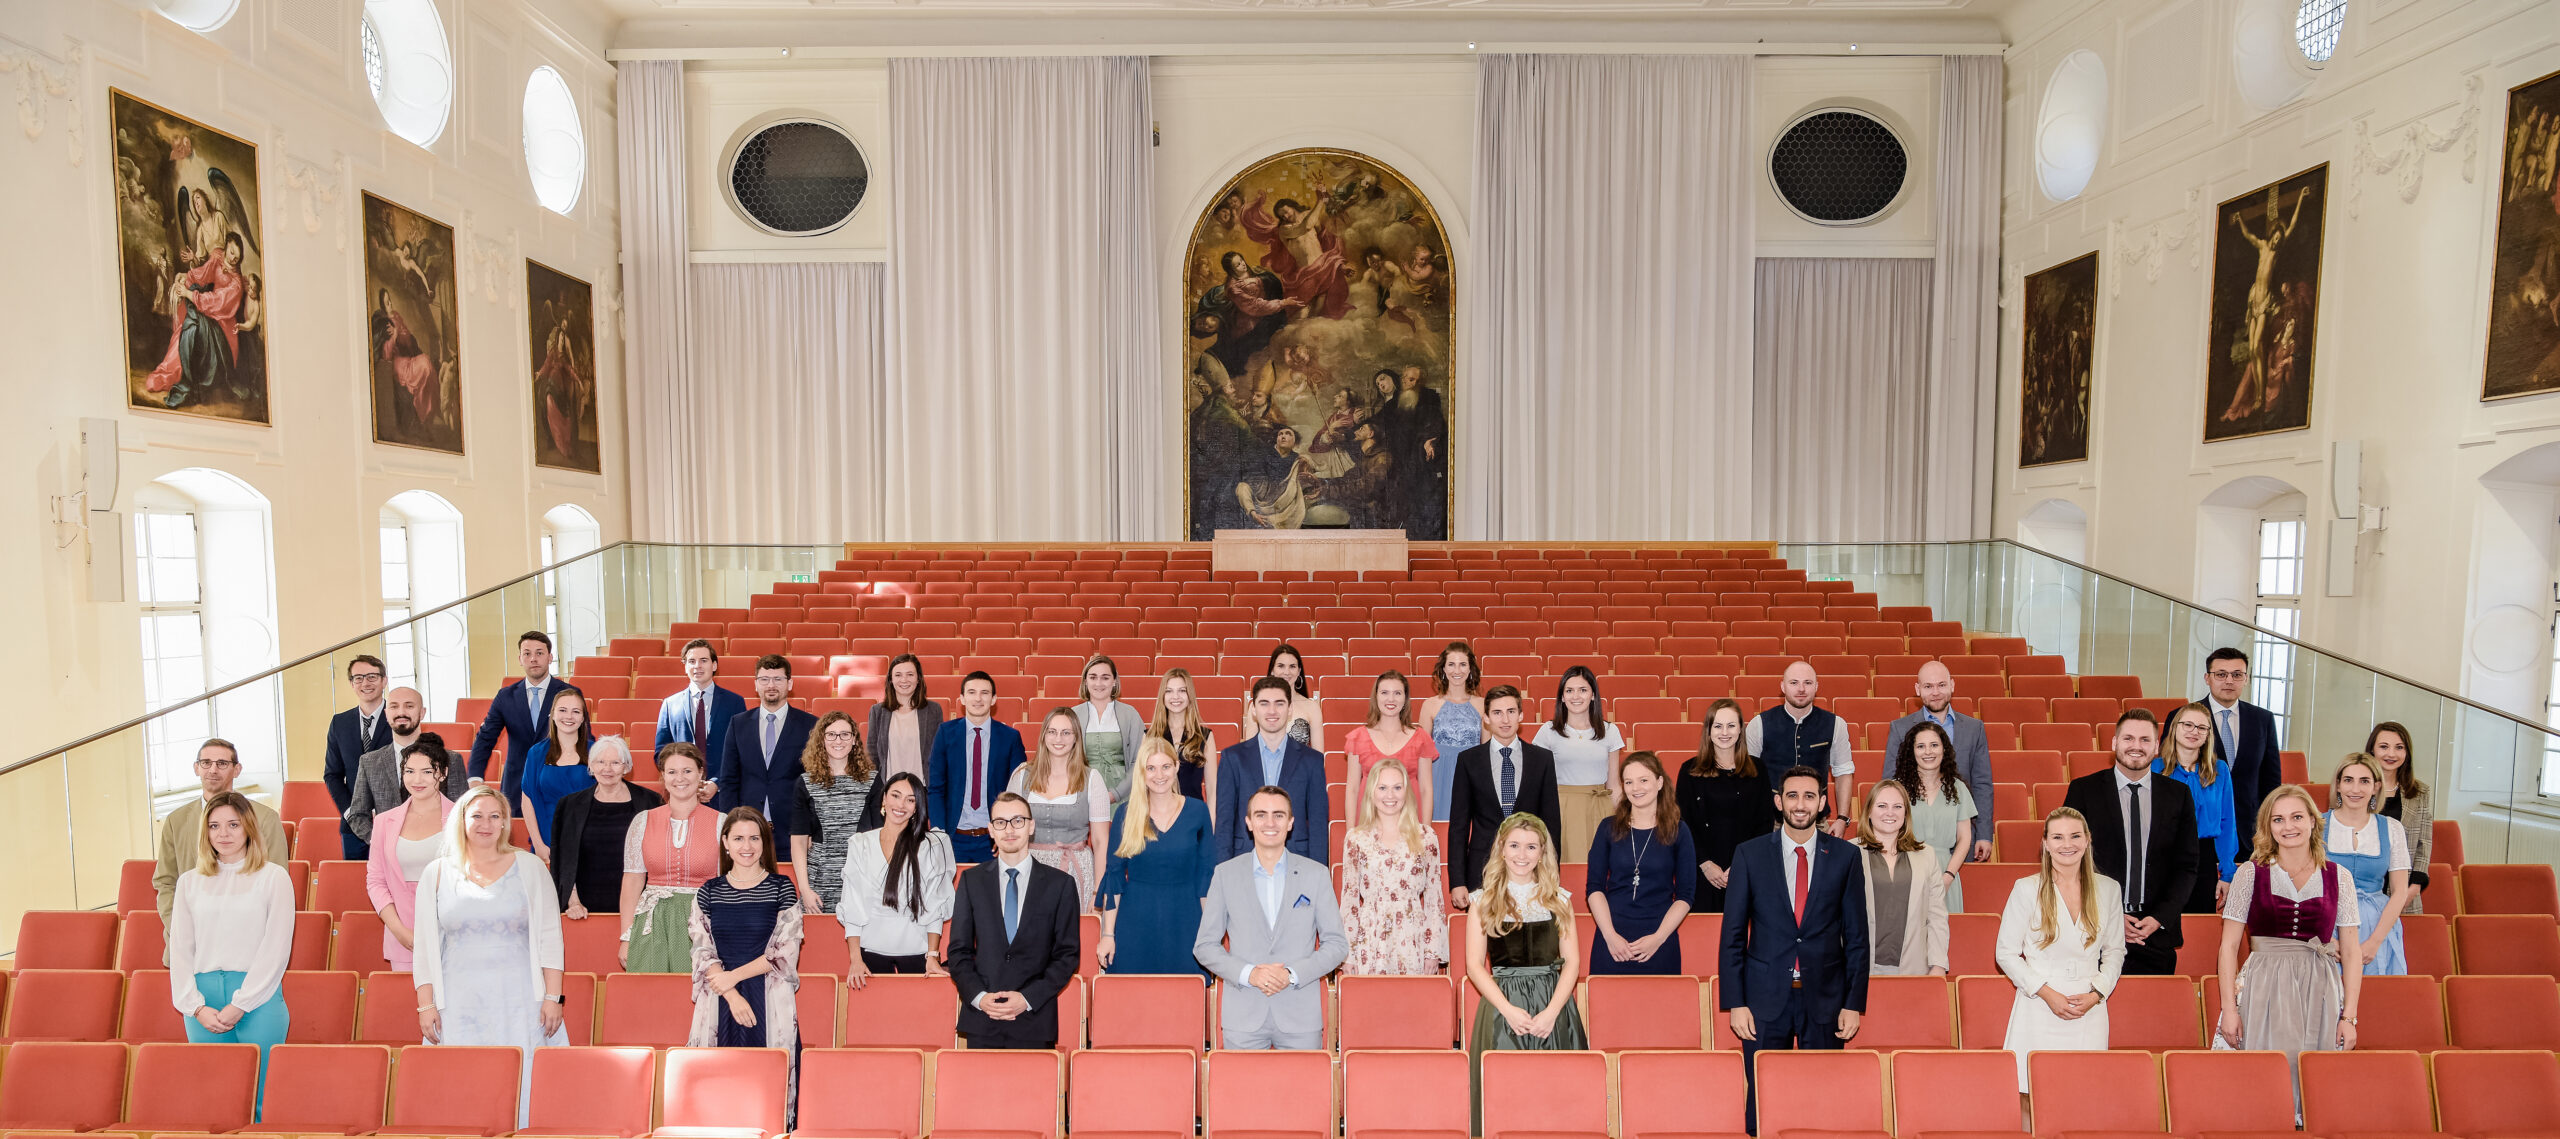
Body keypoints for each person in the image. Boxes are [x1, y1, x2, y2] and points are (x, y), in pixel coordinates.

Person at [1719, 766, 1868, 1130]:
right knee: (1764, 1101)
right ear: (1778, 801)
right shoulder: (1749, 855)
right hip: (1763, 1000)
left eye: (1809, 796)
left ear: (1822, 803)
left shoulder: (1846, 857)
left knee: (1823, 1100)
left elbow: (1857, 938)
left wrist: (1853, 1004)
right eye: (1792, 796)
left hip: (1826, 999)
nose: (1800, 804)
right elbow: (1732, 936)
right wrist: (1736, 1003)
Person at [412, 786, 568, 1128]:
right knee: (461, 1086)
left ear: (505, 822)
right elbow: (424, 945)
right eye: (477, 816)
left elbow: (550, 936)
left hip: (520, 1000)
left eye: (495, 816)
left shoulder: (530, 867)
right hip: (458, 1001)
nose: (486, 824)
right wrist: (426, 1006)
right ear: (461, 820)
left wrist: (553, 997)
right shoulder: (436, 872)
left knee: (522, 1085)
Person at [2215, 785, 2364, 1065]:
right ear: (2268, 827)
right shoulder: (2250, 873)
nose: (2288, 826)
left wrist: (2349, 1017)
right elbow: (2229, 947)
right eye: (2278, 819)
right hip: (2263, 983)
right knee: (2265, 1070)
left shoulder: (2339, 876)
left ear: (2312, 821)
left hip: (2320, 986)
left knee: (2315, 1072)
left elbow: (2351, 951)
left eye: (2297, 817)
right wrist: (2230, 1010)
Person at [166, 790, 293, 1119]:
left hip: (258, 998)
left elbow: (276, 947)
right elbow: (180, 949)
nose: (223, 833)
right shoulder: (189, 882)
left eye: (233, 825)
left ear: (249, 827)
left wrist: (242, 1003)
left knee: (261, 1101)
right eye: (214, 826)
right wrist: (194, 1006)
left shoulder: (273, 877)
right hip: (203, 1001)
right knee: (214, 1102)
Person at [1196, 786, 1348, 1048]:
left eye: (1278, 815)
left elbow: (1336, 945)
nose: (1270, 823)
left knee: (1305, 1080)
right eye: (1261, 815)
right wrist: (1250, 974)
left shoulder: (1316, 874)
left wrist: (1291, 974)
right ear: (1248, 822)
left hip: (1300, 1016)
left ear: (1290, 823)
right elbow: (1205, 946)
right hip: (1243, 1015)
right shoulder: (1225, 874)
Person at [1464, 813, 1588, 1133]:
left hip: (1553, 1006)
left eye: (1531, 847)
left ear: (1542, 852)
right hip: (1502, 1007)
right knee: (1506, 1095)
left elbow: (1572, 962)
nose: (1522, 854)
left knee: (1556, 1096)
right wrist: (1507, 1010)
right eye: (1514, 845)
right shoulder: (1483, 901)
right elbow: (1474, 965)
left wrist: (1551, 1013)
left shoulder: (1559, 900)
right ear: (1501, 849)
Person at [1995, 808, 2126, 1093]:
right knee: (2032, 1092)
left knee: (2085, 1093)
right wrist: (2046, 993)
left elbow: (2115, 951)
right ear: (2045, 843)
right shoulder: (2026, 888)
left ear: (2087, 840)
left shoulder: (2109, 889)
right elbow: (2005, 953)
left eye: (2075, 836)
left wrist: (2097, 993)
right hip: (2038, 1004)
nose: (2067, 844)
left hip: (2089, 1007)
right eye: (2058, 837)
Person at [2061, 711, 2200, 976]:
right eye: (2128, 738)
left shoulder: (2178, 795)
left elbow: (2187, 866)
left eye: (2145, 740)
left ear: (2156, 747)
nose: (2136, 746)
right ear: (2114, 743)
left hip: (2155, 934)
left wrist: (2159, 918)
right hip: (2094, 930)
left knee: (2150, 1004)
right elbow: (2068, 862)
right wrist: (2110, 916)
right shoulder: (2083, 790)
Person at [948, 793, 1081, 1049]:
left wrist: (1028, 998)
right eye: (1001, 822)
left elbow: (1067, 956)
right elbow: (958, 952)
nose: (1009, 830)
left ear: (1031, 826)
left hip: (1034, 1021)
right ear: (991, 830)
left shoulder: (1060, 885)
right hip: (982, 1020)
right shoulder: (971, 881)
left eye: (1018, 821)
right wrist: (979, 997)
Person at [687, 807, 803, 1080]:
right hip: (720, 996)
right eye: (738, 838)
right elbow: (702, 950)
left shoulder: (782, 887)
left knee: (766, 1081)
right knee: (717, 1082)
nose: (747, 846)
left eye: (754, 838)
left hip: (767, 996)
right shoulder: (708, 891)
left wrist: (733, 977)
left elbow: (784, 952)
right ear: (725, 842)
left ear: (764, 842)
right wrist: (731, 993)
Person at [1097, 738, 1215, 976]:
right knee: (1133, 995)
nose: (1159, 775)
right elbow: (1114, 877)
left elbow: (1206, 877)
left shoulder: (1198, 811)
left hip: (1186, 919)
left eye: (1165, 767)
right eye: (1151, 768)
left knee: (1185, 994)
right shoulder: (1125, 814)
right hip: (1135, 921)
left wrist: (1209, 936)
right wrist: (1108, 934)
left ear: (1177, 767)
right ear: (1142, 772)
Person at [1447, 686, 1563, 912]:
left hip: (1530, 869)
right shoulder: (1468, 760)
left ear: (1521, 715)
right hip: (1482, 870)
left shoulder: (1542, 759)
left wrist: (1552, 874)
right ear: (1486, 718)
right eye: (1497, 713)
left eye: (1511, 711)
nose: (1505, 719)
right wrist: (1457, 881)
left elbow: (1552, 825)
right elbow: (1458, 827)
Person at [1585, 752, 1696, 975]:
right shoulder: (1608, 827)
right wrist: (1610, 936)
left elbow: (1685, 895)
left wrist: (1658, 938)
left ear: (1659, 782)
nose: (1636, 788)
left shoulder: (1679, 830)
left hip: (1659, 937)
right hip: (1612, 937)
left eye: (1643, 780)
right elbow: (1594, 887)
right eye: (1628, 782)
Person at [838, 773, 954, 982]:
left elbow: (934, 906)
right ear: (884, 798)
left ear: (917, 807)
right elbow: (852, 904)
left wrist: (932, 956)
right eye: (895, 795)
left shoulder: (931, 846)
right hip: (869, 952)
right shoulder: (860, 844)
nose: (901, 805)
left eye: (910, 800)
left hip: (917, 952)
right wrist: (855, 959)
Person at [1340, 757, 1449, 975]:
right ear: (1371, 792)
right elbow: (1349, 900)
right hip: (1370, 938)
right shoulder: (1356, 838)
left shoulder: (1426, 836)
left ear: (1406, 792)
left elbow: (1434, 898)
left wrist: (1432, 952)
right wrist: (1348, 954)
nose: (1390, 795)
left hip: (1413, 938)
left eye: (1397, 788)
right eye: (1382, 788)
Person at [157, 739, 285, 925]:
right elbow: (165, 882)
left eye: (222, 763)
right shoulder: (175, 821)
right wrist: (179, 926)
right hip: (190, 929)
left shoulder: (265, 818)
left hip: (247, 927)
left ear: (237, 770)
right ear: (196, 768)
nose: (213, 770)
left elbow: (276, 885)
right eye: (206, 763)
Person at [620, 744, 723, 973]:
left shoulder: (721, 822)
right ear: (663, 776)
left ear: (700, 774)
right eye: (672, 772)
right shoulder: (643, 821)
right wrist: (626, 936)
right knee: (651, 992)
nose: (680, 778)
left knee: (697, 991)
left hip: (703, 923)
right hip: (651, 924)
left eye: (687, 771)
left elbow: (728, 883)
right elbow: (632, 881)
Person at [1881, 663, 1996, 864]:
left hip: (1962, 836)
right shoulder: (1900, 729)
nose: (1935, 692)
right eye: (1928, 686)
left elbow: (1982, 784)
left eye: (1941, 685)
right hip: (1914, 835)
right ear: (1918, 689)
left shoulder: (1974, 728)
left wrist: (1984, 834)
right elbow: (1891, 784)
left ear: (1952, 685)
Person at [1007, 709, 1115, 912]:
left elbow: (1101, 841)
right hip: (1029, 868)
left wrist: (1097, 892)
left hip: (1075, 869)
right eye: (1052, 732)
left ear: (1076, 738)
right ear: (1043, 735)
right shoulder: (1021, 775)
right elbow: (1009, 830)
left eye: (1066, 733)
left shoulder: (1092, 778)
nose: (1059, 739)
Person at [367, 736, 460, 971]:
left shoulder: (462, 819)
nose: (417, 780)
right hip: (403, 936)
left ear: (443, 773)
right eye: (409, 771)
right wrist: (399, 931)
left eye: (427, 772)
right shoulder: (384, 822)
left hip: (453, 934)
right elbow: (376, 881)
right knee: (406, 995)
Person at [1215, 678, 1330, 862]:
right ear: (1253, 710)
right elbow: (1224, 823)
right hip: (1244, 859)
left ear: (1290, 709)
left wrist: (1318, 872)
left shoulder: (1312, 761)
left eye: (1279, 703)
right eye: (1264, 703)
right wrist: (1223, 870)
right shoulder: (1232, 758)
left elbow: (1318, 825)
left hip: (1297, 860)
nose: (1272, 711)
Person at [1679, 699, 1777, 914]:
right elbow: (1684, 822)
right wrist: (1705, 863)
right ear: (1708, 730)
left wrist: (1742, 864)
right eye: (1718, 726)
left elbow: (1764, 822)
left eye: (1731, 725)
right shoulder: (1689, 770)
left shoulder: (1758, 769)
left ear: (1740, 729)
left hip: (1747, 867)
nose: (1725, 732)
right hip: (1702, 871)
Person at [550, 737, 663, 919]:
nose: (607, 769)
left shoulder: (651, 802)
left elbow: (660, 858)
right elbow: (563, 860)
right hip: (583, 908)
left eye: (615, 763)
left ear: (626, 767)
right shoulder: (569, 806)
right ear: (591, 766)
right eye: (600, 762)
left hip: (640, 905)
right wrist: (573, 902)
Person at [345, 687, 468, 848]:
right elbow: (357, 815)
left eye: (409, 706)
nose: (401, 712)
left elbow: (461, 811)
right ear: (386, 714)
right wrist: (380, 841)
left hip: (438, 851)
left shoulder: (451, 760)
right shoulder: (369, 762)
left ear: (422, 713)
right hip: (389, 854)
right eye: (394, 706)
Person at [791, 711, 887, 916]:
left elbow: (880, 836)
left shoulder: (873, 780)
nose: (838, 740)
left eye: (845, 734)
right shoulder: (805, 782)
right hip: (819, 878)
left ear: (854, 740)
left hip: (861, 877)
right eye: (831, 734)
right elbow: (799, 841)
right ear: (822, 740)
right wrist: (805, 889)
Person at [927, 672, 1029, 865]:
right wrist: (939, 834)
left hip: (994, 839)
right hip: (953, 838)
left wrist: (1008, 832)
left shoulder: (1010, 737)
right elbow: (936, 788)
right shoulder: (945, 733)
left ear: (994, 699)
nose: (978, 698)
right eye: (972, 692)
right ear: (962, 698)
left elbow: (1018, 792)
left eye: (984, 693)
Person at [718, 655, 817, 853]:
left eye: (778, 679)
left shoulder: (810, 725)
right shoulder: (738, 724)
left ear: (789, 684)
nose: (771, 685)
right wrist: (731, 826)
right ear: (756, 684)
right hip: (748, 830)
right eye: (764, 679)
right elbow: (729, 780)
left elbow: (815, 782)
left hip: (794, 830)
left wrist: (812, 827)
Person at [2327, 755, 2414, 976]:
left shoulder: (2392, 828)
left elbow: (2400, 891)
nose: (2355, 789)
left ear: (2376, 787)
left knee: (2377, 994)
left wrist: (2374, 942)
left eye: (2364, 781)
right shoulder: (2315, 826)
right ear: (2338, 785)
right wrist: (2327, 939)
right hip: (2328, 925)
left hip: (2377, 927)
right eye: (2348, 780)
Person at [469, 631, 582, 799]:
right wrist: (475, 778)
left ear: (550, 657)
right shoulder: (505, 696)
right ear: (520, 659)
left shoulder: (570, 693)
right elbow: (485, 738)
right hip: (516, 787)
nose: (533, 659)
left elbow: (583, 737)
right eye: (527, 654)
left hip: (560, 783)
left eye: (539, 653)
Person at [1747, 662, 1858, 830]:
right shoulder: (1758, 724)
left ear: (1816, 686)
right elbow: (1748, 776)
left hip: (1817, 822)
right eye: (1794, 683)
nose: (1801, 689)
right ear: (1783, 686)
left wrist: (1842, 818)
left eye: (1807, 682)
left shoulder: (1836, 724)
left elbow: (1843, 772)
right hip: (1769, 823)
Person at [1859, 779, 1950, 976]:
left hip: (1914, 968)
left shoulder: (1927, 855)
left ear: (1906, 813)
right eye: (1882, 806)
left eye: (1897, 806)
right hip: (1860, 967)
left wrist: (1938, 964)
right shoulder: (1848, 853)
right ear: (1868, 812)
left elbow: (1937, 915)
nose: (1890, 812)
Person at [2156, 703, 2239, 913]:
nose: (2194, 731)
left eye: (2202, 727)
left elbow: (2227, 823)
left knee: (2200, 919)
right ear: (2175, 728)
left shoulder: (2220, 770)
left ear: (2208, 734)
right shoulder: (2154, 769)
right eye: (2188, 725)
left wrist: (2227, 873)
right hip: (2163, 855)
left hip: (2204, 857)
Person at [1539, 667, 1626, 860]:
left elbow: (1614, 784)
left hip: (1601, 807)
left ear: (1593, 695)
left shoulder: (1610, 731)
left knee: (1602, 865)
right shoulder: (1548, 731)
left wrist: (1625, 816)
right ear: (1562, 697)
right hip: (1562, 809)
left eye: (1583, 690)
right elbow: (1538, 782)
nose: (1576, 696)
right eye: (1569, 690)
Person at [1892, 722, 1978, 913]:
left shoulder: (1958, 788)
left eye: (1934, 745)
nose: (1928, 752)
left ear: (1944, 749)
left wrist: (1948, 877)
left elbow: (1964, 839)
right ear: (1911, 751)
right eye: (1920, 746)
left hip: (1945, 873)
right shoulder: (1896, 789)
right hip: (1905, 870)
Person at [2200, 647, 2284, 842]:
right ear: (2207, 678)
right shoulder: (2185, 717)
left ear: (2246, 679)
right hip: (2200, 827)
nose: (2229, 681)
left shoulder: (2263, 719)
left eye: (2237, 675)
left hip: (2249, 830)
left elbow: (2271, 780)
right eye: (2221, 674)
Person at [323, 655, 393, 862]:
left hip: (393, 821)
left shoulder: (398, 719)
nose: (365, 683)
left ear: (384, 680)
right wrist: (351, 813)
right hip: (352, 826)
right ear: (351, 684)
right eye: (358, 678)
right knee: (355, 880)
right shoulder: (340, 723)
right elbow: (332, 775)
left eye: (372, 676)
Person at [1344, 671, 1439, 823]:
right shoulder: (1357, 738)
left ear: (1405, 699)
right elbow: (1352, 789)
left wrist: (1426, 829)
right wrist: (1350, 831)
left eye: (1397, 693)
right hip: (1369, 821)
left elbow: (1426, 790)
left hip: (1409, 821)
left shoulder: (1421, 738)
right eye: (1384, 693)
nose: (1391, 699)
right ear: (1376, 697)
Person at [518, 689, 597, 860]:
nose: (569, 716)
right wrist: (538, 844)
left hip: (588, 842)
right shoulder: (536, 753)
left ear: (583, 718)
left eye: (576, 711)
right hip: (546, 844)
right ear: (552, 714)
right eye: (562, 710)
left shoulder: (596, 752)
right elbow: (527, 801)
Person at [2366, 722, 2436, 913]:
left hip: (2403, 889)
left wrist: (2415, 887)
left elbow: (2424, 843)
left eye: (2399, 747)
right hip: (2363, 889)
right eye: (2383, 747)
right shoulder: (2357, 788)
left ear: (2407, 753)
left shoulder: (2420, 792)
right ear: (2372, 750)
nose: (2391, 754)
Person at [1417, 642, 1487, 823]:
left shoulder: (1482, 704)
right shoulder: (1429, 705)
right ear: (1443, 669)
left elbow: (1487, 750)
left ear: (1470, 669)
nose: (1457, 670)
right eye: (1451, 664)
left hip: (1472, 774)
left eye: (1463, 664)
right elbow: (1421, 752)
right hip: (1438, 775)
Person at [655, 639, 746, 768]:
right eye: (692, 661)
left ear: (714, 665)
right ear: (685, 667)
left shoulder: (735, 702)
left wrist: (720, 779)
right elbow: (661, 752)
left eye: (703, 660)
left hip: (723, 779)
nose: (697, 666)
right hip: (683, 779)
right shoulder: (670, 705)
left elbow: (743, 747)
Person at [1075, 655, 1147, 802]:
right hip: (1083, 794)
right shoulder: (1073, 715)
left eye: (1105, 678)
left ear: (1114, 681)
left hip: (1125, 795)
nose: (1098, 683)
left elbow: (1139, 761)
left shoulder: (1130, 714)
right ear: (1085, 681)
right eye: (1093, 677)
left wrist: (1116, 794)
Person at [1145, 668, 1218, 808]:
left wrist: (1210, 821)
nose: (1175, 696)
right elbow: (1143, 785)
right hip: (1158, 814)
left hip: (1193, 813)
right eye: (1169, 691)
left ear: (1190, 695)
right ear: (1162, 696)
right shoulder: (1149, 736)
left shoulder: (1205, 736)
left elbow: (1212, 788)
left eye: (1182, 690)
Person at [866, 654, 941, 785]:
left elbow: (939, 753)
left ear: (918, 679)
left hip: (923, 787)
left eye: (910, 674)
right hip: (888, 788)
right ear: (891, 680)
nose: (904, 680)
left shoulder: (933, 710)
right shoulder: (877, 711)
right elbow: (873, 755)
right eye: (898, 675)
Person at [1242, 644, 1327, 752]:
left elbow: (1318, 756)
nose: (1287, 672)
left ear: (1299, 671)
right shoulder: (1256, 705)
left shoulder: (1312, 707)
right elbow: (1250, 753)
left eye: (1292, 666)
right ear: (1272, 670)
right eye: (1281, 666)